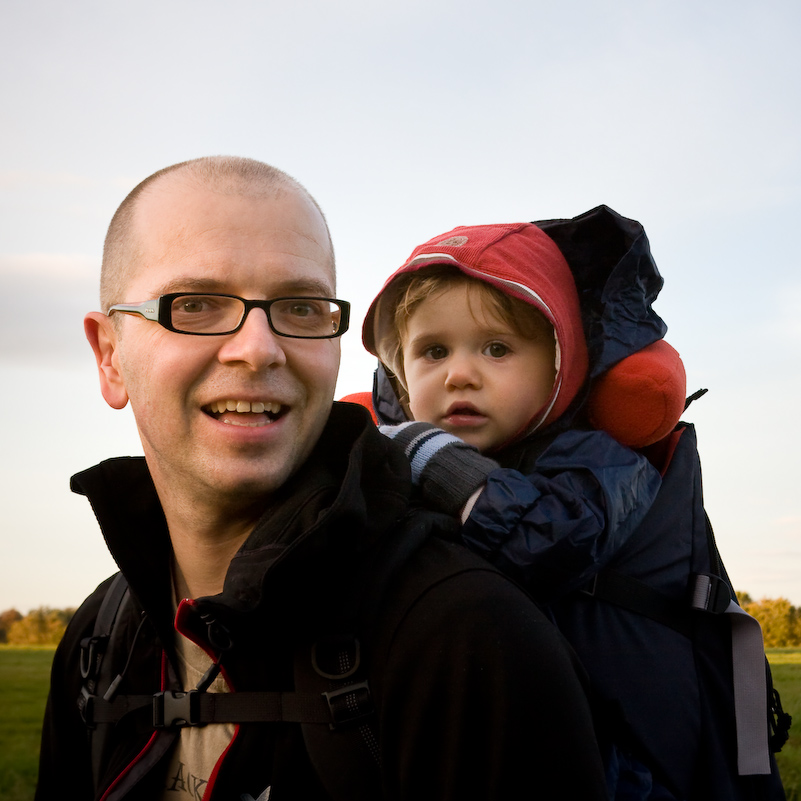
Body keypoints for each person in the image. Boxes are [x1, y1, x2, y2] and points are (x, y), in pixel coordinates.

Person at [35, 157, 608, 801]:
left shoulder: (466, 636)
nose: (257, 348)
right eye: (194, 304)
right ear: (110, 356)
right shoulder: (99, 640)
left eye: (301, 307)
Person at [357, 214, 787, 800]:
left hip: (629, 761)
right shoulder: (405, 467)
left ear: (563, 364)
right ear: (401, 379)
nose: (460, 373)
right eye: (433, 351)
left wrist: (425, 454)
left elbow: (550, 538)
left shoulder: (607, 461)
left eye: (497, 348)